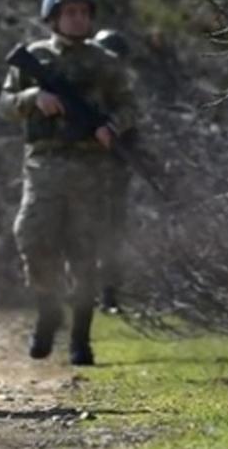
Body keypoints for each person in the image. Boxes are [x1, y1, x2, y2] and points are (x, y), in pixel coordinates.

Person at [0, 0, 136, 366]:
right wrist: (33, 98)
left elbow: (129, 105)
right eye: (69, 13)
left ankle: (80, 338)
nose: (77, 20)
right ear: (53, 17)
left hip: (91, 168)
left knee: (84, 252)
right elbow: (5, 104)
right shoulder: (35, 57)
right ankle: (47, 308)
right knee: (32, 237)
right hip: (44, 164)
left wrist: (113, 127)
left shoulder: (105, 63)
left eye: (83, 13)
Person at [91, 28, 133, 314]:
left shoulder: (122, 95)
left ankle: (109, 294)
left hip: (114, 173)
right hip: (82, 171)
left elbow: (132, 127)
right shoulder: (86, 90)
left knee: (112, 235)